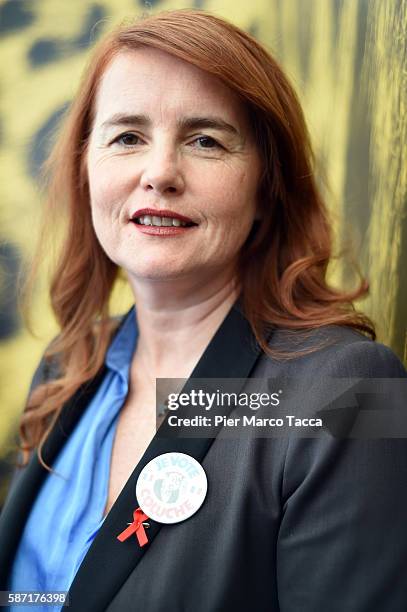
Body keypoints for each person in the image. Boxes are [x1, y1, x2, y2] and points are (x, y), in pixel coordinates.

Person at [0, 8, 406, 612]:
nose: (160, 173)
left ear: (266, 188)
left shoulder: (356, 392)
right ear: (86, 170)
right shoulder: (68, 367)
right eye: (127, 137)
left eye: (205, 140)